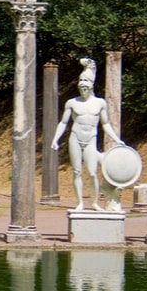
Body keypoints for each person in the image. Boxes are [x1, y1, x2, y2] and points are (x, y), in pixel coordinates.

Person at [51, 58, 122, 211]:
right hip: (75, 138)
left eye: (86, 82)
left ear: (91, 86)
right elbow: (63, 123)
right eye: (81, 82)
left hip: (91, 139)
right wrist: (56, 139)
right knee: (77, 172)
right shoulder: (72, 102)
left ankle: (95, 202)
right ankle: (80, 203)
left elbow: (105, 124)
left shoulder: (100, 103)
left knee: (92, 172)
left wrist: (116, 139)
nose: (82, 85)